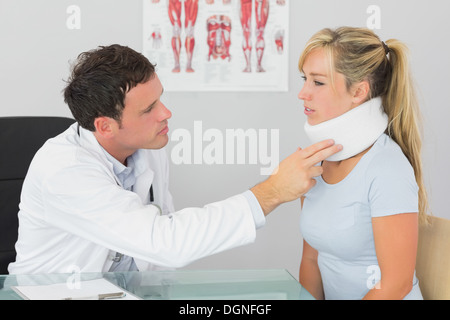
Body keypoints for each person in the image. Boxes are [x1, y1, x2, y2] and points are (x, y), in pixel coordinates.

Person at [8, 44, 341, 274]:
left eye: (160, 99)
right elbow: (164, 241)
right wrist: (272, 192)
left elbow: (158, 248)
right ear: (105, 126)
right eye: (149, 109)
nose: (166, 113)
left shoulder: (149, 149)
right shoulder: (63, 170)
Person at [297, 27, 430, 300]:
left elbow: (396, 284)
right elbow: (311, 260)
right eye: (305, 79)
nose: (303, 93)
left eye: (318, 82)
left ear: (359, 91)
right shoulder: (314, 163)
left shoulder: (386, 168)